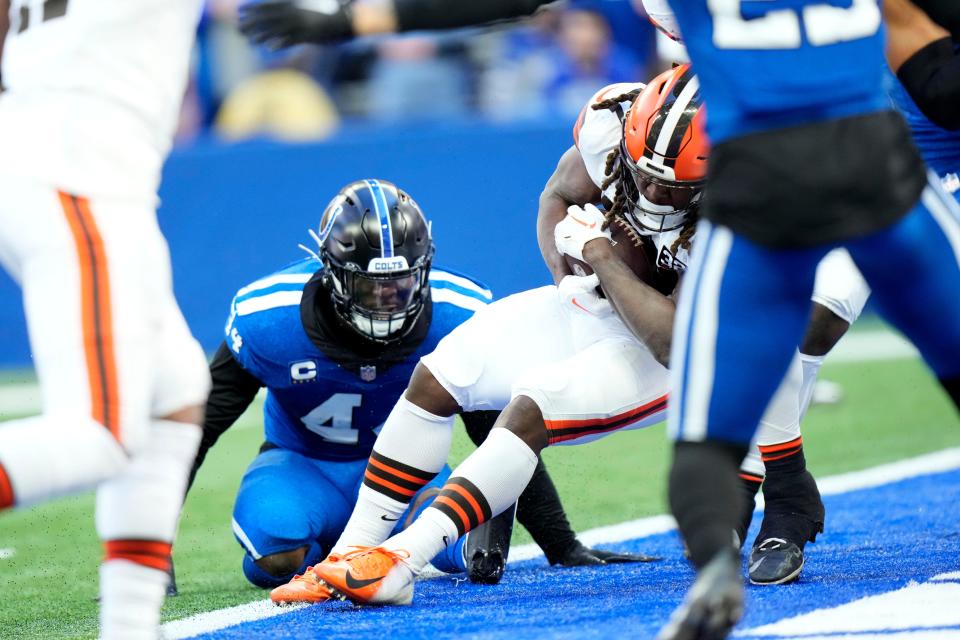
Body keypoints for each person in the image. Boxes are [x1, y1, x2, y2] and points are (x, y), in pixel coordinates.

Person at [286, 67, 868, 606]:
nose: (653, 195)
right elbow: (557, 197)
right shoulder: (611, 122)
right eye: (643, 175)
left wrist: (596, 254)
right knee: (443, 374)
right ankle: (348, 554)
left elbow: (671, 339)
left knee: (532, 407)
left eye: (674, 189)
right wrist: (568, 277)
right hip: (607, 305)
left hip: (680, 351)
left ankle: (401, 561)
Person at [638, 3, 960, 640]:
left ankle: (714, 562)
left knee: (702, 440)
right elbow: (936, 79)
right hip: (884, 173)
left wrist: (385, 17)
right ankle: (783, 497)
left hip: (763, 191)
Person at [185, 179, 651, 604]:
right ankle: (345, 545)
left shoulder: (457, 312)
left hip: (410, 478)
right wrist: (153, 550)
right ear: (330, 274)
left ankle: (389, 546)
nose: (390, 299)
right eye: (371, 287)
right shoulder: (270, 318)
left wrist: (560, 543)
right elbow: (199, 428)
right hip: (304, 465)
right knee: (277, 550)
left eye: (402, 283)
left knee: (469, 554)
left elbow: (503, 431)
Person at [0, 1, 210, 638]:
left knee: (174, 396)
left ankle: (128, 629)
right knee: (100, 431)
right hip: (78, 167)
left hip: (72, 162)